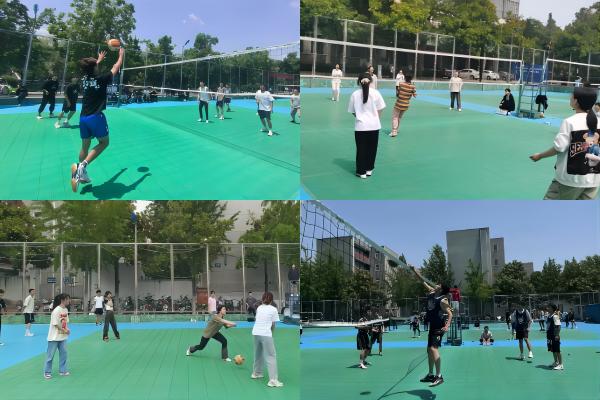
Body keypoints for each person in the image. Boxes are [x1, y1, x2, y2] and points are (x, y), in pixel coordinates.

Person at [530, 85, 600, 200]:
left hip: (570, 180)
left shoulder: (569, 122)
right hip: (594, 180)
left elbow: (559, 147)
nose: (570, 98)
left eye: (571, 96)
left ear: (576, 101)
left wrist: (540, 155)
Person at [70, 47, 124, 192]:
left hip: (83, 118)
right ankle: (82, 167)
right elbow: (116, 67)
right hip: (95, 117)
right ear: (94, 68)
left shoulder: (84, 79)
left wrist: (97, 61)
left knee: (84, 147)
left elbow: (91, 69)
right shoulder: (101, 79)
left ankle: (80, 173)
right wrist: (121, 55)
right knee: (104, 142)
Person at [411, 266, 452, 387]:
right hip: (432, 326)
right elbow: (421, 280)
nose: (436, 284)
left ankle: (439, 376)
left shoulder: (443, 300)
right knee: (429, 350)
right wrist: (414, 271)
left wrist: (447, 325)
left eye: (438, 284)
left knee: (434, 349)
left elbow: (450, 314)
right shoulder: (432, 292)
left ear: (441, 289)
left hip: (439, 327)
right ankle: (430, 374)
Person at [348, 73, 386, 179]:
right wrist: (375, 118)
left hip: (360, 126)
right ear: (371, 81)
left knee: (361, 149)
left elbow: (352, 111)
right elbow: (381, 108)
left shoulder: (355, 94)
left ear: (359, 82)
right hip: (374, 126)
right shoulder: (376, 93)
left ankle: (361, 172)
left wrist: (360, 117)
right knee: (372, 149)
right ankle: (369, 169)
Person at [251, 292, 283, 387]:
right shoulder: (273, 309)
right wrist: (271, 334)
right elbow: (273, 324)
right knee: (271, 356)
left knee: (258, 353)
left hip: (256, 332)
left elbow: (257, 320)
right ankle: (273, 380)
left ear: (262, 299)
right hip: (265, 334)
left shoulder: (259, 308)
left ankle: (256, 373)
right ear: (272, 300)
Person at [44, 293, 71, 379]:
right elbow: (55, 324)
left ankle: (63, 370)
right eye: (68, 299)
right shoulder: (56, 310)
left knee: (64, 354)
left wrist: (67, 329)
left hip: (63, 337)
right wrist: (64, 330)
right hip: (54, 337)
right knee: (50, 356)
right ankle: (47, 372)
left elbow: (64, 322)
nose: (69, 301)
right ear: (63, 300)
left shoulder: (65, 310)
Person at [547, 304, 563, 370]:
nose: (548, 308)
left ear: (552, 309)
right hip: (549, 335)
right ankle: (556, 362)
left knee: (557, 350)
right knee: (553, 349)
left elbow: (558, 326)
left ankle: (561, 364)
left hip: (555, 336)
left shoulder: (555, 316)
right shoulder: (549, 316)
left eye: (549, 307)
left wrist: (557, 335)